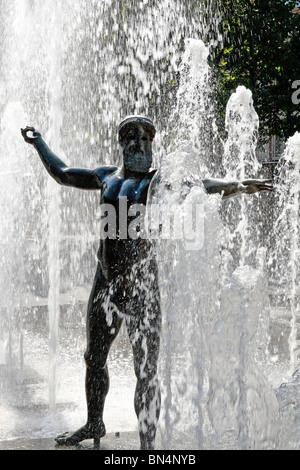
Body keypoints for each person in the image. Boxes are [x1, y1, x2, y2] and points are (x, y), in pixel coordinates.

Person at [21, 116, 272, 450]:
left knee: (147, 370)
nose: (138, 143)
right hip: (105, 283)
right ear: (122, 144)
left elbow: (204, 186)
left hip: (143, 285)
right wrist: (38, 142)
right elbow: (63, 173)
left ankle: (147, 447)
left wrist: (239, 184)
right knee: (93, 359)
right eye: (131, 137)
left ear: (152, 145)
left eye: (145, 138)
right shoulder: (105, 176)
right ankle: (94, 421)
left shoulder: (161, 181)